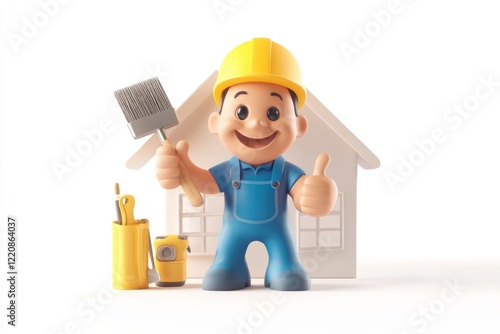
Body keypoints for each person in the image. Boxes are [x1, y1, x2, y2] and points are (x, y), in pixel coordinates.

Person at [155, 38, 337, 291]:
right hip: (233, 232)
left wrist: (317, 193)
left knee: (289, 276)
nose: (256, 125)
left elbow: (301, 191)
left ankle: (285, 266)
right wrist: (179, 169)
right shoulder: (229, 171)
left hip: (278, 233)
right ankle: (228, 266)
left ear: (300, 126)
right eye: (241, 112)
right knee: (222, 275)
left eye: (273, 113)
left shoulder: (285, 172)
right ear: (215, 123)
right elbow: (206, 183)